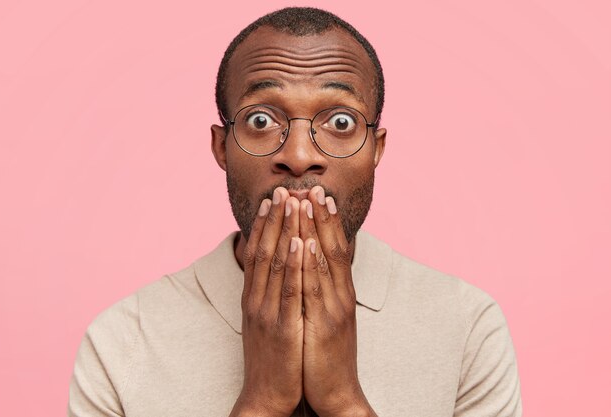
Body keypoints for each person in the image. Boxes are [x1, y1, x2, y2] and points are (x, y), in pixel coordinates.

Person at [68, 7, 521, 417]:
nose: (300, 155)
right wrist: (261, 403)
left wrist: (344, 400)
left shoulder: (466, 326)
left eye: (340, 122)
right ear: (220, 148)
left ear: (376, 151)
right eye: (261, 120)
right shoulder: (121, 342)